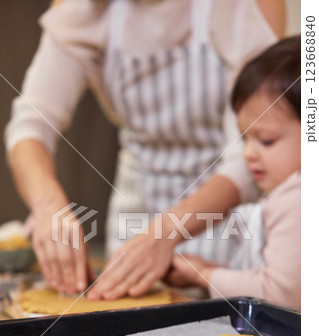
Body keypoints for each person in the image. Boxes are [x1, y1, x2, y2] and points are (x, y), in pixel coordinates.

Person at [5, 0, 285, 298]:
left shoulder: (238, 8)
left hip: (228, 214)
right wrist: (48, 205)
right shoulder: (83, 13)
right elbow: (31, 125)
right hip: (136, 213)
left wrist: (165, 233)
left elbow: (249, 154)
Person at [166, 36, 301, 310]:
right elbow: (276, 277)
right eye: (245, 139)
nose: (249, 153)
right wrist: (211, 269)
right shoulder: (285, 193)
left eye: (266, 140)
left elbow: (278, 295)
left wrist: (203, 276)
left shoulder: (298, 199)